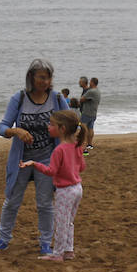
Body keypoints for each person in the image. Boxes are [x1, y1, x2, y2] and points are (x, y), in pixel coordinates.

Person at [0, 60, 71, 254]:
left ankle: (45, 242)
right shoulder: (19, 98)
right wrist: (16, 131)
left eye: (48, 77)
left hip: (46, 159)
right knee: (12, 201)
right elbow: (2, 128)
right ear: (31, 78)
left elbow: (71, 125)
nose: (45, 81)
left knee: (45, 203)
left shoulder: (57, 99)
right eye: (41, 77)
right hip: (21, 161)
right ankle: (3, 238)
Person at [22, 109, 86, 261]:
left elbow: (51, 171)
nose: (48, 126)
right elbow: (82, 167)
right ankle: (69, 250)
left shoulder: (59, 150)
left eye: (51, 124)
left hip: (65, 191)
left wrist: (34, 164)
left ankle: (58, 254)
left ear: (62, 129)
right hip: (78, 189)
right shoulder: (77, 146)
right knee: (69, 221)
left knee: (62, 223)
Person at [79, 76, 101, 151]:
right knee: (90, 128)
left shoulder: (91, 91)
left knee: (83, 128)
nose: (89, 83)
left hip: (87, 112)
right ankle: (90, 144)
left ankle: (84, 144)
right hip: (93, 112)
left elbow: (82, 99)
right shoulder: (97, 90)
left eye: (90, 82)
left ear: (92, 82)